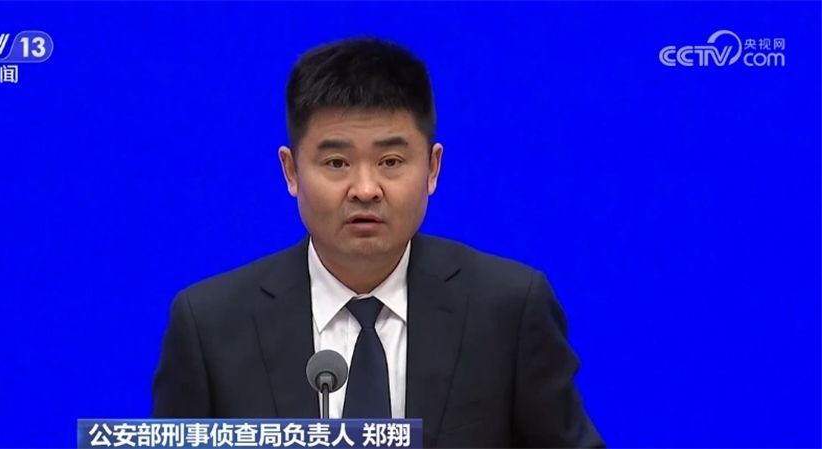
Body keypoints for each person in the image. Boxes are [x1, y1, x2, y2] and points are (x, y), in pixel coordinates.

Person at [151, 37, 604, 448]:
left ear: (432, 168)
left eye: (390, 161)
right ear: (291, 171)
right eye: (336, 163)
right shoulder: (209, 325)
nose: (365, 189)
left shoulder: (508, 309)